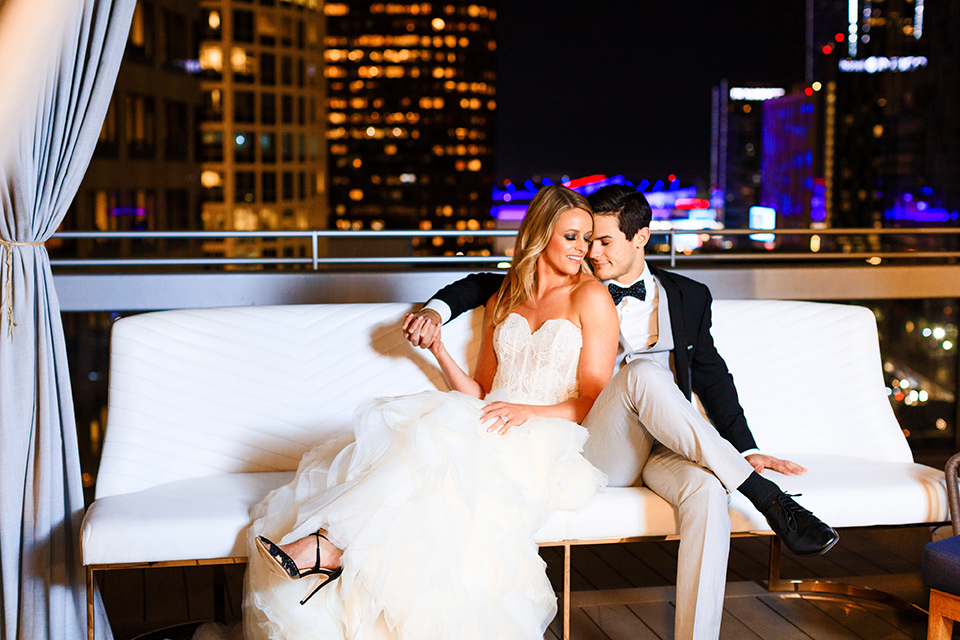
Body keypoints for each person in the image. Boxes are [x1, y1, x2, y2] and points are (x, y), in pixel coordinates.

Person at [405, 184, 839, 640]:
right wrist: (435, 312)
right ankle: (766, 497)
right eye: (583, 240)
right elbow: (484, 284)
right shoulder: (565, 286)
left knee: (709, 493)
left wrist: (747, 447)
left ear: (641, 238)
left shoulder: (689, 296)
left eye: (602, 241)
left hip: (670, 447)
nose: (590, 252)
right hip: (602, 442)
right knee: (643, 375)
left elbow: (712, 377)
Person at [243, 185, 620, 640]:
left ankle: (329, 547)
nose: (583, 250)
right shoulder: (503, 298)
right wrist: (439, 349)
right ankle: (333, 553)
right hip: (490, 420)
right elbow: (481, 391)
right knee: (430, 440)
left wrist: (525, 411)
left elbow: (596, 399)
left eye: (587, 238)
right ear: (540, 235)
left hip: (550, 433)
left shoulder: (592, 297)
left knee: (436, 445)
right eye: (572, 237)